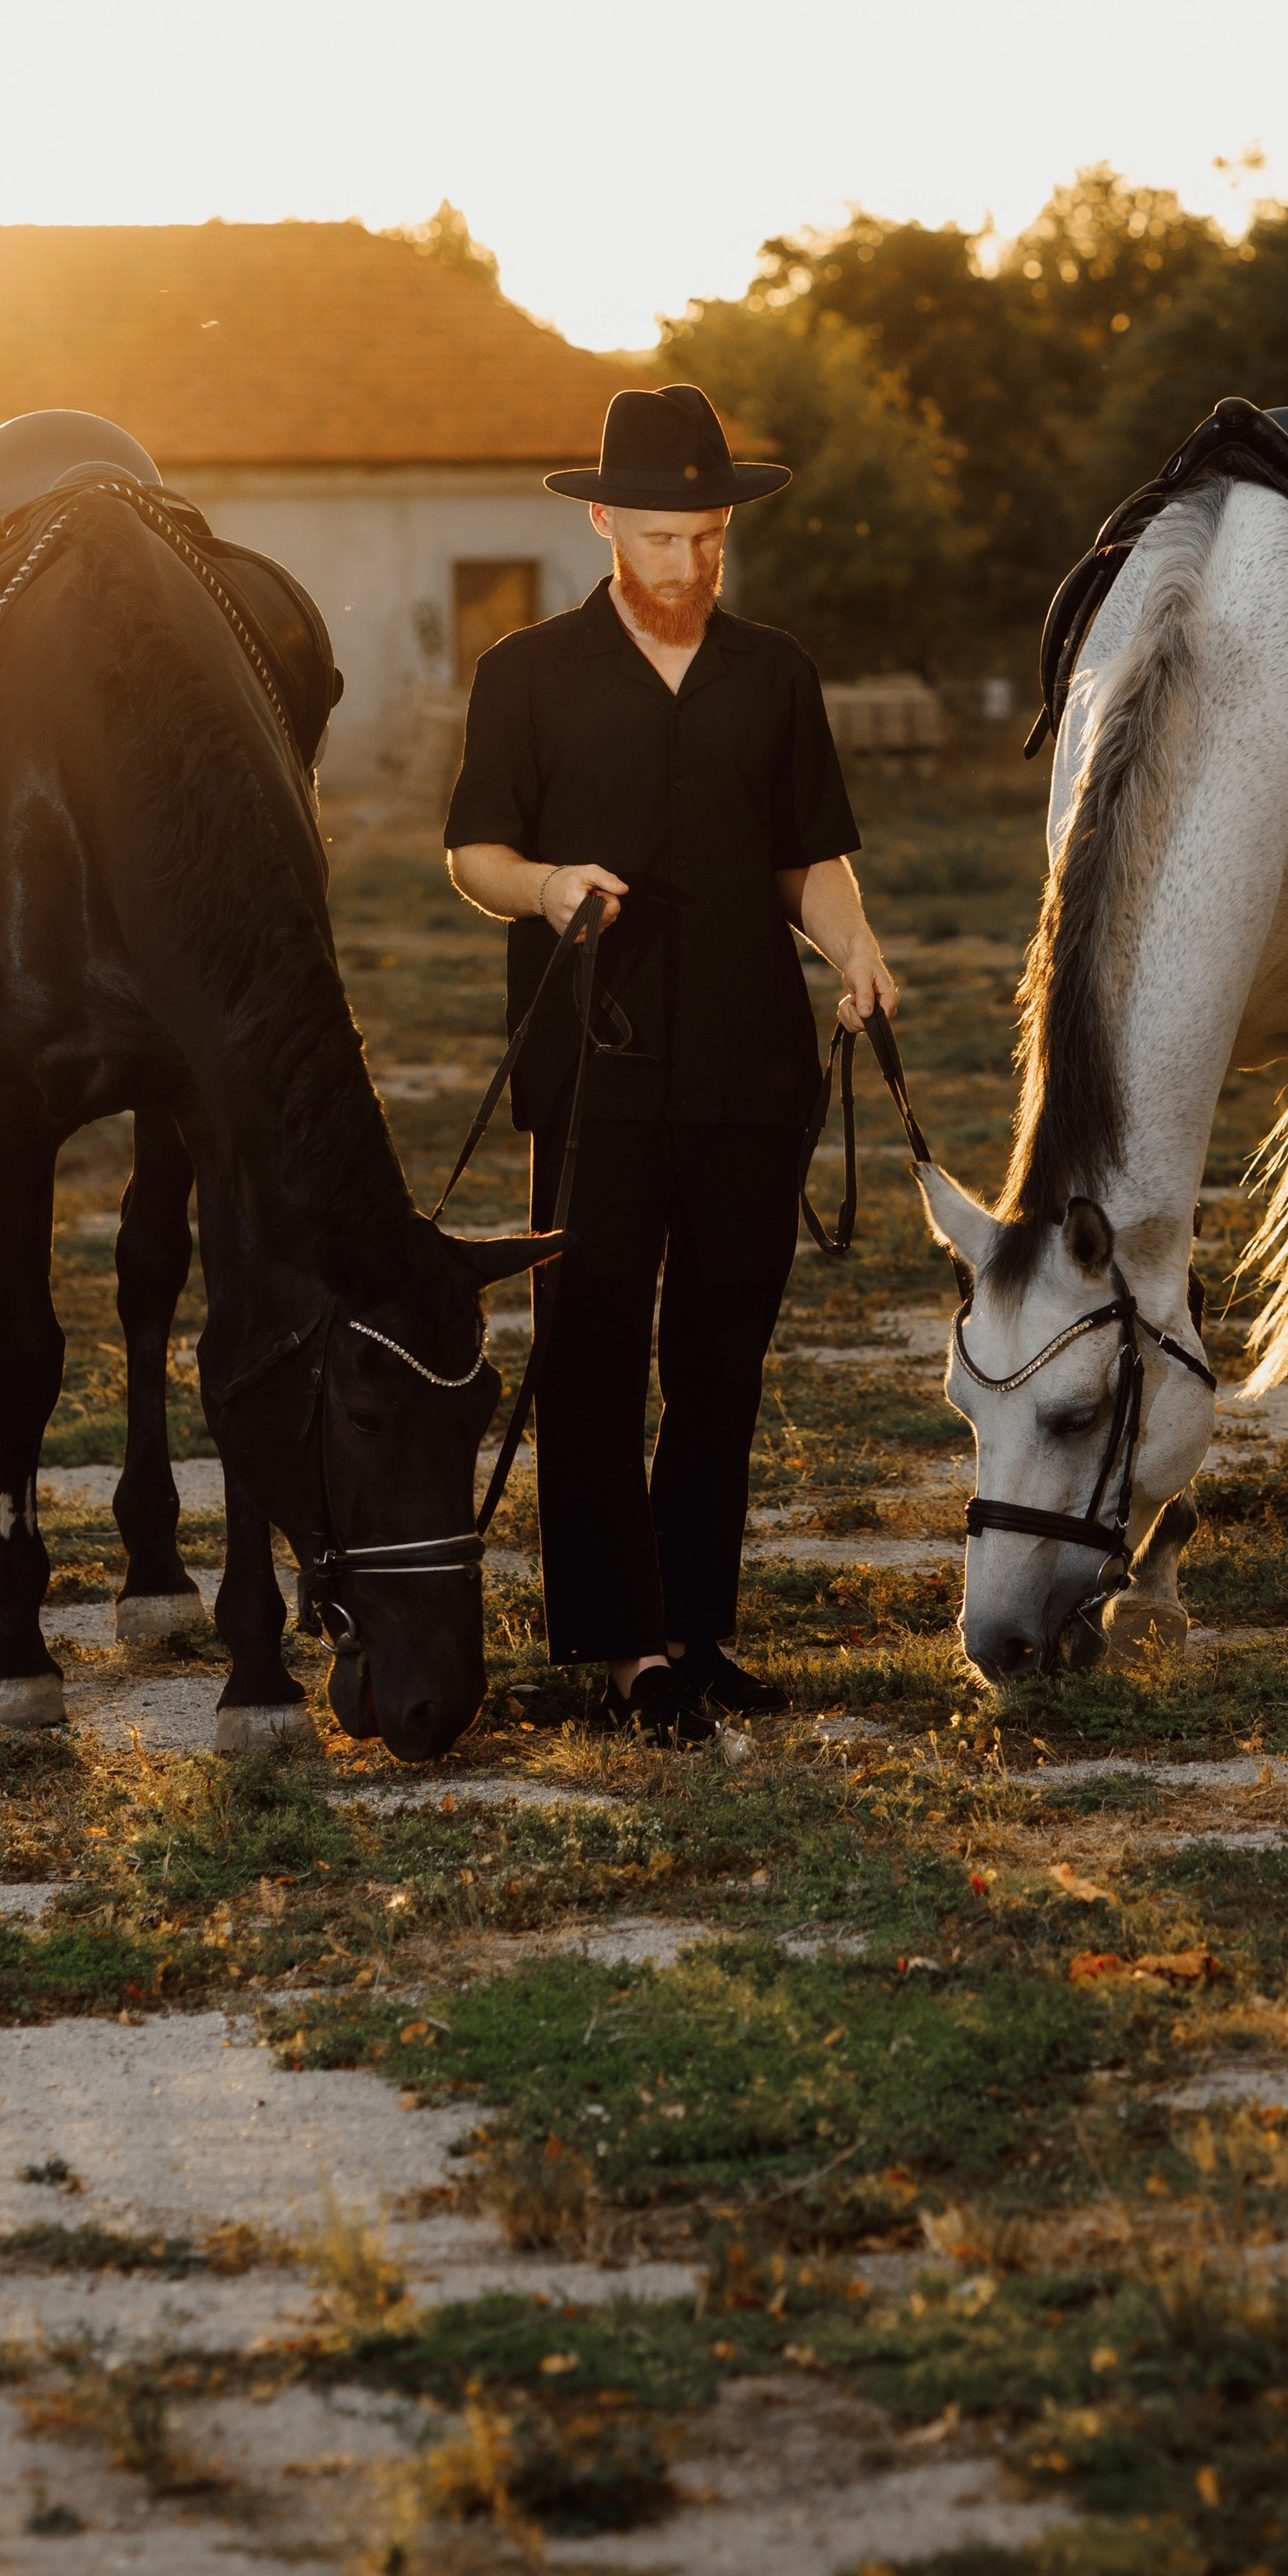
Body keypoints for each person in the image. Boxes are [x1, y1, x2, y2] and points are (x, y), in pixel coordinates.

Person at [445, 382, 898, 1743]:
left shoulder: (776, 672)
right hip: (596, 1074)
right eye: (660, 540)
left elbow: (806, 859)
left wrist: (853, 946)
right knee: (588, 1356)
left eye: (708, 539)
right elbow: (474, 854)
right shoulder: (524, 673)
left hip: (754, 1073)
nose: (688, 566)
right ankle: (622, 1648)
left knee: (721, 1361)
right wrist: (544, 892)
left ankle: (698, 1632)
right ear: (603, 524)